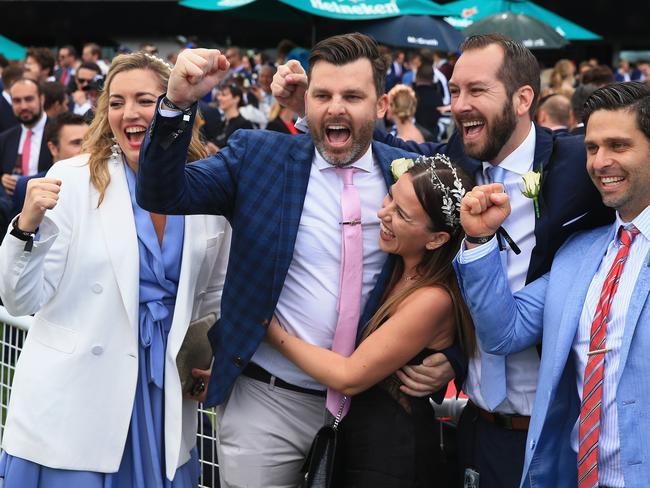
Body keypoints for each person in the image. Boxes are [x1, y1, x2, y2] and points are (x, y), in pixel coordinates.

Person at [273, 33, 614, 487]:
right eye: (454, 91)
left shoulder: (581, 165)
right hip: (476, 423)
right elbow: (376, 149)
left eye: (477, 90)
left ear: (522, 98)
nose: (459, 104)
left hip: (559, 426)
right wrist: (452, 353)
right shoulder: (452, 163)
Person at [136, 33, 462, 487]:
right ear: (305, 101)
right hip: (266, 401)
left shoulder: (408, 170)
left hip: (371, 408)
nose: (336, 108)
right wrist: (175, 104)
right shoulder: (258, 156)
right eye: (323, 95)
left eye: (353, 96)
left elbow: (451, 265)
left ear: (382, 103)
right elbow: (160, 193)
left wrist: (452, 353)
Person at [0, 51, 231, 487]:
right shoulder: (71, 178)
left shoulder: (207, 186)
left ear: (173, 102)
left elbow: (214, 295)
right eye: (117, 102)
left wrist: (212, 351)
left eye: (145, 99)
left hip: (164, 392)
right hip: (75, 398)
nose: (130, 113)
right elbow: (19, 299)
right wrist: (24, 227)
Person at [454, 81, 650, 488]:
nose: (600, 162)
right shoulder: (578, 254)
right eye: (593, 147)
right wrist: (479, 240)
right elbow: (502, 333)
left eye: (618, 145)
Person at [266, 155, 475, 487]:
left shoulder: (433, 298)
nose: (383, 213)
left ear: (436, 239)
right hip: (362, 440)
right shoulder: (396, 266)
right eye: (390, 196)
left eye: (402, 214)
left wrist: (269, 332)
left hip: (392, 456)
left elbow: (350, 376)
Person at [0, 78, 53, 196]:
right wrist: (3, 180)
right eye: (17, 101)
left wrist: (25, 183)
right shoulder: (5, 138)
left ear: (42, 99)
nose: (23, 106)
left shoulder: (59, 132)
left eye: (29, 99)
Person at [213, 82, 253, 148]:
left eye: (224, 95)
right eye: (219, 95)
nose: (219, 98)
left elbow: (241, 152)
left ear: (236, 99)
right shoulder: (221, 123)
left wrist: (216, 150)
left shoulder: (244, 125)